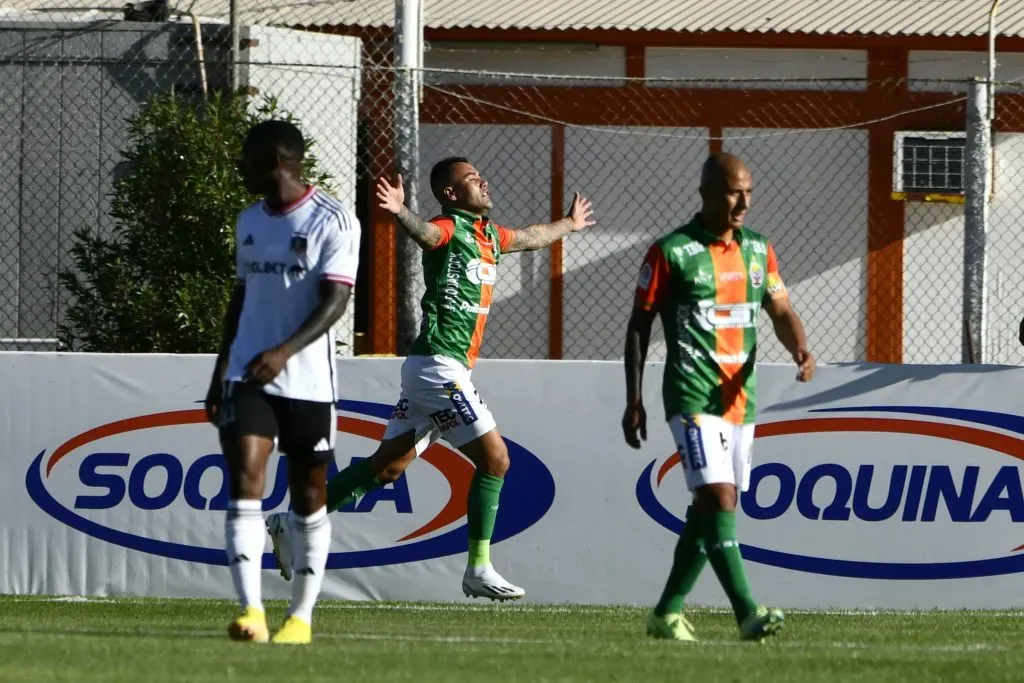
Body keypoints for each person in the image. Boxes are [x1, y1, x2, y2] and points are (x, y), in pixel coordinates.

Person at [266, 156, 594, 600]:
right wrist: (401, 211)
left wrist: (569, 225)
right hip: (439, 367)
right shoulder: (450, 227)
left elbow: (533, 238)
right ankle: (478, 568)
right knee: (495, 460)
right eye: (472, 179)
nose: (484, 182)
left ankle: (294, 520)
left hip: (431, 370)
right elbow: (427, 233)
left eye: (482, 175)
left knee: (387, 468)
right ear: (452, 194)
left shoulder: (490, 237)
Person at [622, 152, 814, 642]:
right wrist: (634, 398)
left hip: (740, 400)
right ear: (706, 192)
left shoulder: (758, 251)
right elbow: (639, 325)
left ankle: (666, 613)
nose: (744, 201)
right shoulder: (672, 251)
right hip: (691, 396)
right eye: (734, 191)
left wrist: (801, 349)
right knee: (717, 496)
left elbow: (780, 307)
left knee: (711, 509)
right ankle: (747, 612)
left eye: (749, 190)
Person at [205, 119, 360, 645]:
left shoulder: (333, 218)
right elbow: (240, 300)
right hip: (248, 376)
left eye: (245, 158)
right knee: (246, 478)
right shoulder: (248, 220)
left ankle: (300, 619)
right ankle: (251, 611)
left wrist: (285, 351)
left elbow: (336, 301)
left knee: (308, 493)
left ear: (273, 160)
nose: (238, 168)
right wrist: (219, 370)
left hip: (309, 383)